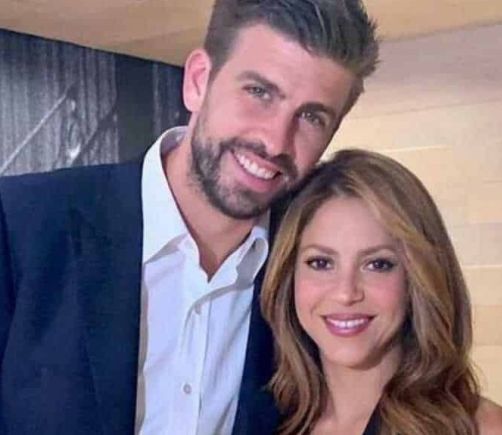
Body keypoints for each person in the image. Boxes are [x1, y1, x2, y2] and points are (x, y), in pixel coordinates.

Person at [0, 1, 379, 434]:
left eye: (312, 117)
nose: (276, 141)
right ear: (199, 81)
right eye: (259, 92)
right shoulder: (19, 222)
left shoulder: (311, 276)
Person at [261, 149, 502, 435]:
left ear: (418, 278)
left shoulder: (480, 427)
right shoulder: (265, 422)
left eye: (377, 264)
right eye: (321, 263)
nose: (346, 293)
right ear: (288, 275)